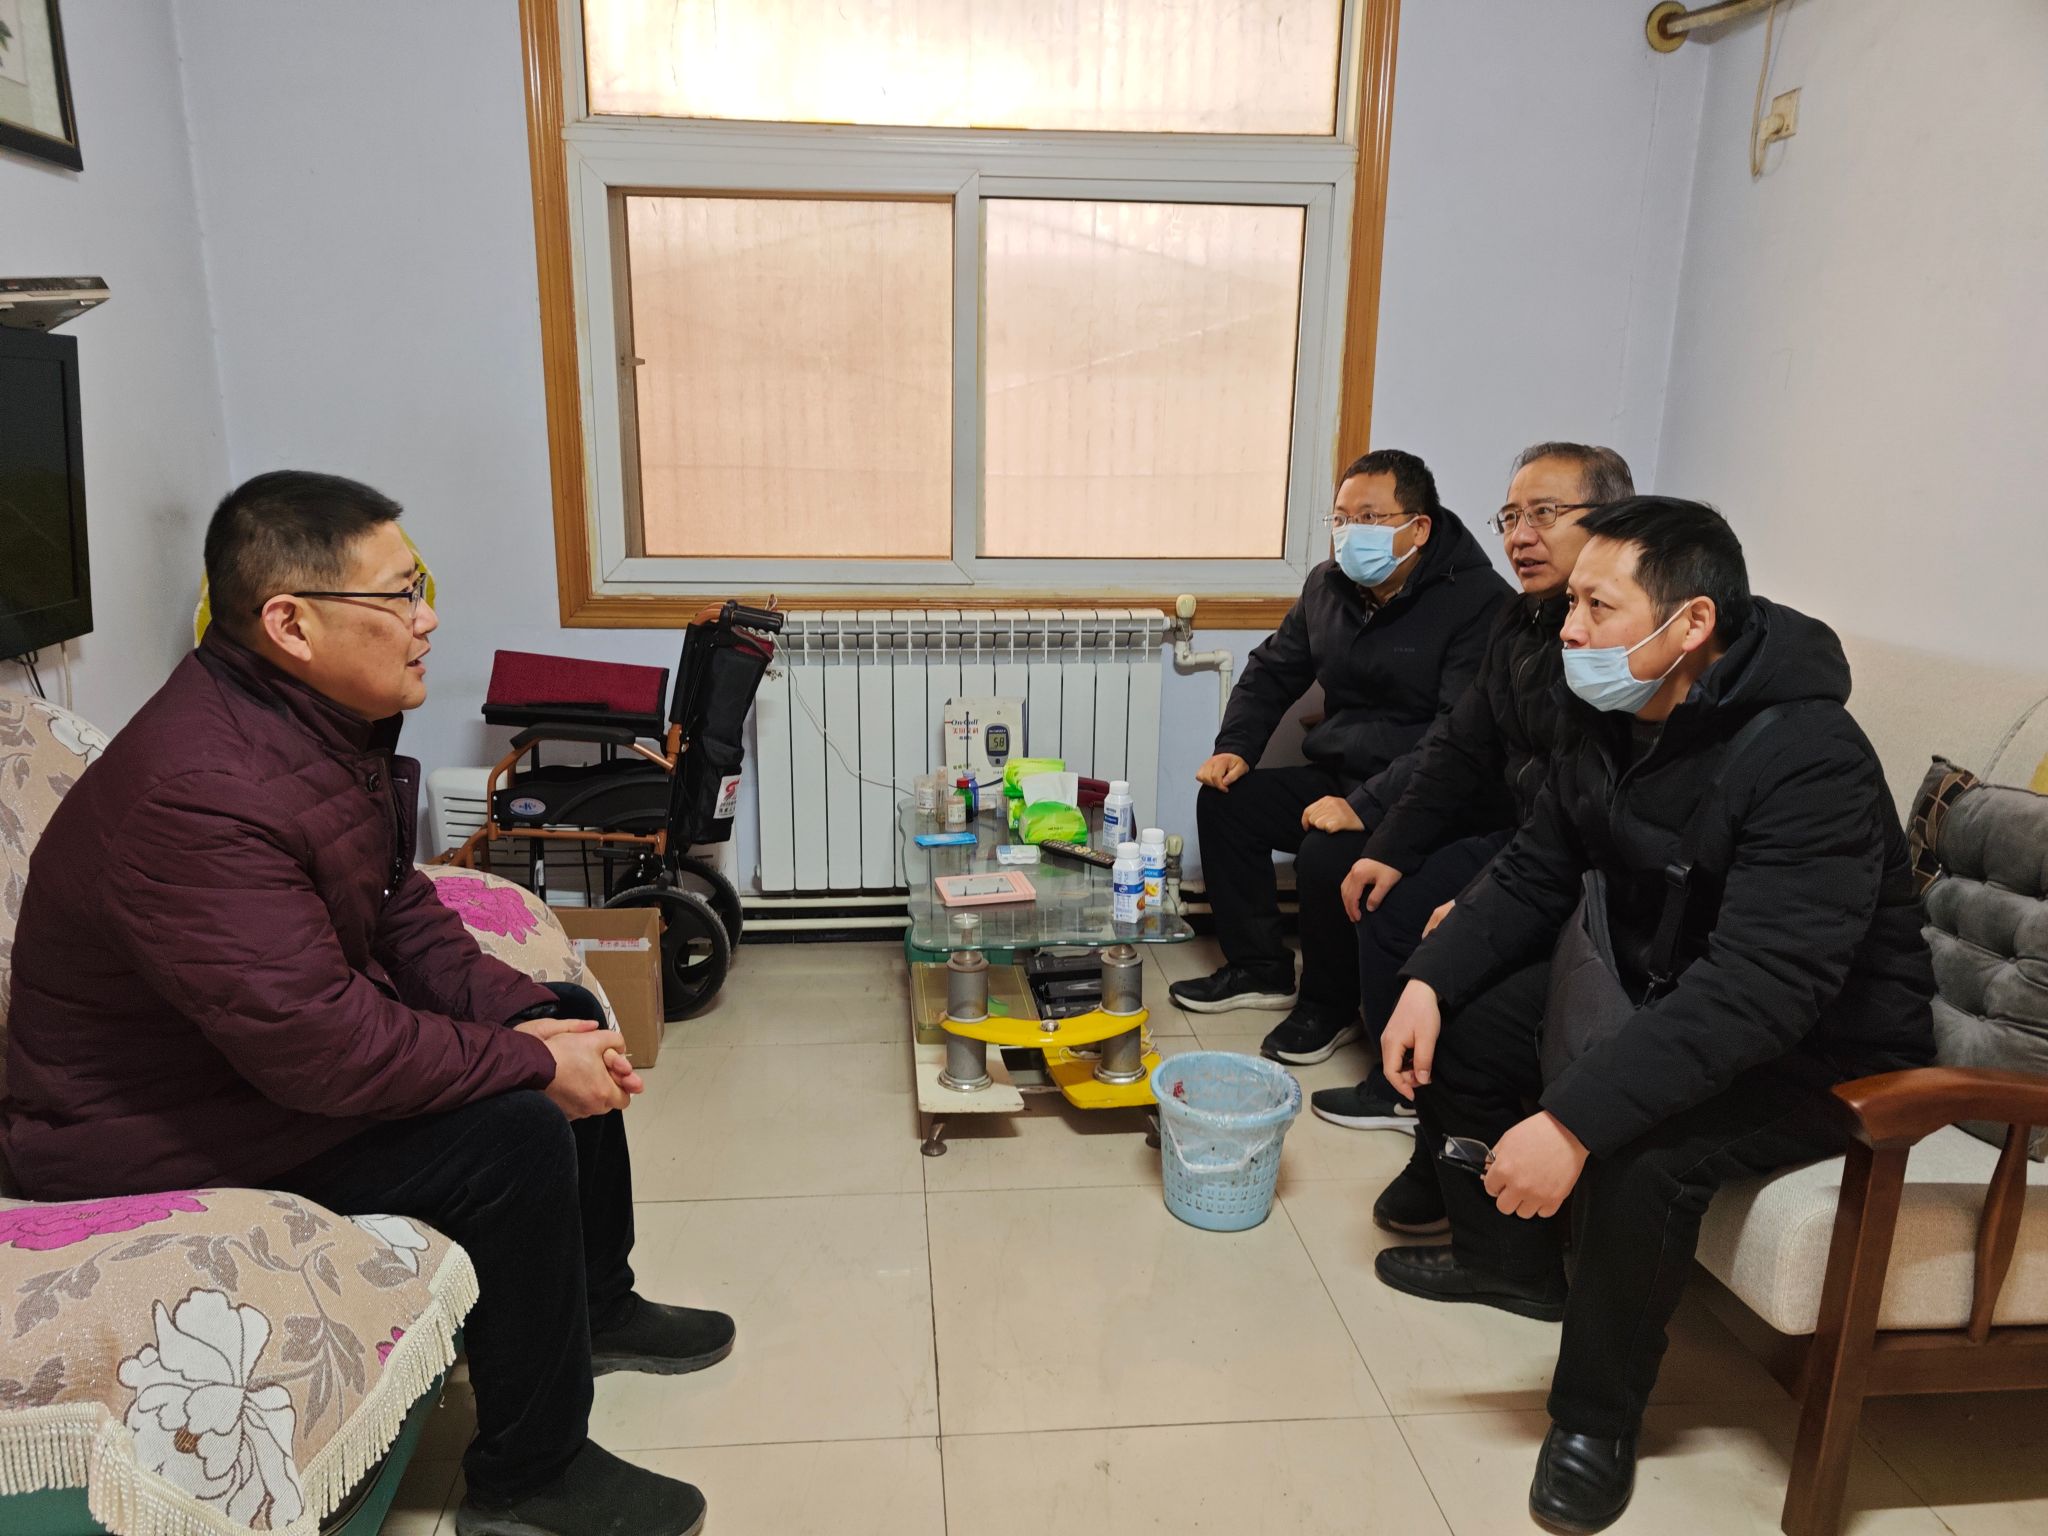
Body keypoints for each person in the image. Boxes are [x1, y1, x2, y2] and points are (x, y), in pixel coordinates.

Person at [3, 472, 723, 1536]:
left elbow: (397, 912)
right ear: (289, 622)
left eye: (417, 588)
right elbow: (321, 1051)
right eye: (397, 597)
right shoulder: (199, 793)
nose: (426, 620)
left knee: (564, 1006)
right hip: (144, 1127)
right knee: (516, 1130)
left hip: (242, 1070)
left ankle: (596, 1303)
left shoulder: (310, 728)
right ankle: (529, 1477)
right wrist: (531, 1066)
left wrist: (528, 1020)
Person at [1372, 499, 1935, 1534]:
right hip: (1673, 988)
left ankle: (1595, 1421)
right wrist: (1429, 981)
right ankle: (1509, 1267)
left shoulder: (1809, 754)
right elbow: (1537, 866)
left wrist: (1574, 1119)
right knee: (1476, 1024)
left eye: (1598, 606)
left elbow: (1762, 986)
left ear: (1691, 624)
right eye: (1572, 604)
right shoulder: (1610, 715)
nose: (1569, 629)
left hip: (1827, 1048)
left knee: (1640, 1152)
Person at [1313, 442, 1635, 1180]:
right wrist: (1387, 846)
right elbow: (1457, 747)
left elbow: (1583, 817)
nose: (1521, 536)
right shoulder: (1519, 621)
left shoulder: (1611, 649)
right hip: (1524, 835)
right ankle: (1402, 1086)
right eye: (1511, 517)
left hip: (1574, 861)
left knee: (1444, 926)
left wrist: (1480, 898)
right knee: (1386, 894)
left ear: (1612, 523)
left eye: (1545, 514)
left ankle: (1434, 1112)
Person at [1169, 449, 1509, 1065]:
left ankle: (1328, 1006)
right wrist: (1235, 747)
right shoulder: (1329, 586)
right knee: (1227, 803)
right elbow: (1272, 670)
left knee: (1327, 855)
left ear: (1418, 527)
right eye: (1342, 518)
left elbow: (1457, 736)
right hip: (1344, 771)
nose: (1352, 532)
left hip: (1424, 792)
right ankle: (1259, 968)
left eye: (1370, 517)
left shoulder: (1480, 603)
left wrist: (1365, 805)